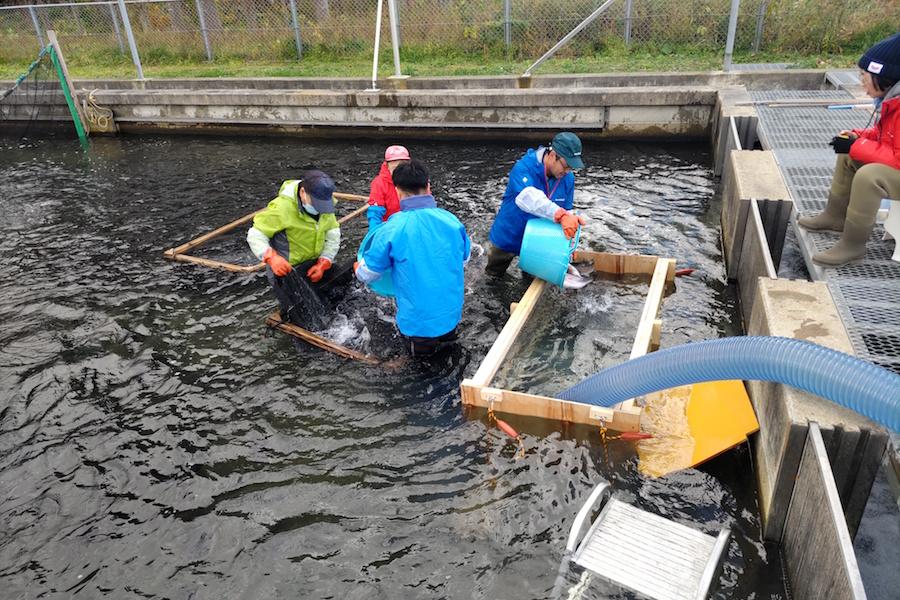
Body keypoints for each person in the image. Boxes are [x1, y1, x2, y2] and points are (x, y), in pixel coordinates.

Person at [798, 32, 900, 266]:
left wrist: (858, 145)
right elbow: (886, 138)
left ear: (883, 76)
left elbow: (897, 158)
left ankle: (853, 245)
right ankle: (835, 217)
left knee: (869, 176)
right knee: (848, 154)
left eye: (864, 76)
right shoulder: (892, 100)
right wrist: (857, 137)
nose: (861, 82)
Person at [355, 159, 471, 356]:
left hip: (417, 325)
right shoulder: (451, 220)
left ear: (397, 191)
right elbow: (464, 259)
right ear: (428, 186)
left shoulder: (392, 228)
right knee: (451, 355)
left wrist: (358, 267)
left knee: (422, 371)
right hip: (451, 315)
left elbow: (369, 274)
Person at [246, 170, 352, 329]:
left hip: (314, 264)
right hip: (287, 271)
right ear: (303, 192)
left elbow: (332, 232)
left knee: (337, 292)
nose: (319, 209)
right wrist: (271, 257)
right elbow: (256, 234)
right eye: (316, 204)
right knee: (302, 315)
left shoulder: (326, 203)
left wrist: (325, 261)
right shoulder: (281, 208)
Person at [485, 131, 587, 276]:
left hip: (538, 241)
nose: (567, 171)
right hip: (509, 235)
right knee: (493, 277)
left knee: (531, 282)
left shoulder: (568, 178)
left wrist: (568, 247)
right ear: (552, 156)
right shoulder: (523, 168)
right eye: (565, 166)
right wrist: (560, 214)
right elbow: (528, 197)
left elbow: (567, 212)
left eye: (571, 167)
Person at [366, 145, 411, 231]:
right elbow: (375, 212)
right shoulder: (379, 183)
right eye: (395, 169)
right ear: (387, 165)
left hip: (411, 222)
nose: (399, 173)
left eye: (402, 168)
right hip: (390, 227)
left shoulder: (417, 179)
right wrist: (374, 233)